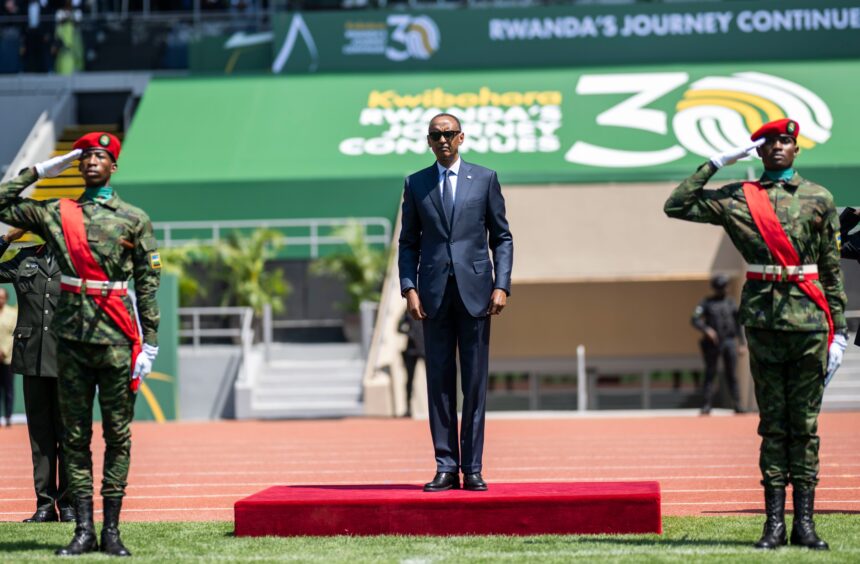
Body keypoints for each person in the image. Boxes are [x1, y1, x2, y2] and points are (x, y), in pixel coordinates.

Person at [665, 118, 847, 550]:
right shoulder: (739, 200)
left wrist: (839, 332)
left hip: (808, 323)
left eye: (786, 141)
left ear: (796, 149)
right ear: (758, 152)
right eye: (770, 143)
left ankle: (804, 524)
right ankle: (773, 525)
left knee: (804, 427)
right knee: (772, 426)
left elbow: (831, 270)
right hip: (764, 324)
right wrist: (714, 163)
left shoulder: (819, 198)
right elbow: (677, 205)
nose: (779, 147)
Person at [0, 132, 161, 557]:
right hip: (67, 345)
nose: (92, 161)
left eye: (101, 156)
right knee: (71, 437)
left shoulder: (132, 218)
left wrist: (151, 343)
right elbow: (2, 202)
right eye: (85, 155)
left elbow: (147, 283)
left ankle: (109, 529)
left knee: (115, 436)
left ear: (113, 166)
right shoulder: (58, 213)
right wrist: (39, 171)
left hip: (110, 339)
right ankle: (81, 528)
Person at [398, 113, 513, 492]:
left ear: (461, 137)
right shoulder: (416, 183)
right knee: (440, 385)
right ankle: (446, 466)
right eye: (435, 135)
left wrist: (502, 285)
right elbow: (408, 242)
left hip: (477, 295)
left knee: (475, 384)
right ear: (428, 141)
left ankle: (473, 467)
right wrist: (409, 288)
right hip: (432, 298)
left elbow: (502, 237)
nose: (443, 140)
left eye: (448, 134)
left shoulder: (485, 179)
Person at [0, 227, 74, 522]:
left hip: (67, 360)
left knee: (68, 436)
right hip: (32, 357)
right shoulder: (23, 259)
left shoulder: (75, 261)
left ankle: (68, 504)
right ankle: (45, 504)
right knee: (40, 437)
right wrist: (6, 240)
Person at [691, 273, 745, 414]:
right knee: (710, 373)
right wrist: (707, 330)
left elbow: (738, 324)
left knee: (731, 375)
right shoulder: (706, 302)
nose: (725, 289)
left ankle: (737, 405)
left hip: (729, 342)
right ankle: (706, 405)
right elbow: (694, 319)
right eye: (722, 286)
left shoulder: (731, 303)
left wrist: (742, 343)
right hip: (712, 344)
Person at [397, 310, 424, 418]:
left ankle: (436, 407)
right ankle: (408, 408)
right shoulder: (408, 310)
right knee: (409, 379)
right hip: (411, 349)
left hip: (424, 348)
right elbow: (398, 327)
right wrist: (410, 333)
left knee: (433, 379)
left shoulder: (428, 306)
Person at [0, 287, 15, 427]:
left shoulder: (12, 314)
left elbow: (14, 335)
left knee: (8, 388)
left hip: (7, 358)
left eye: (2, 297)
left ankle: (8, 416)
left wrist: (4, 351)